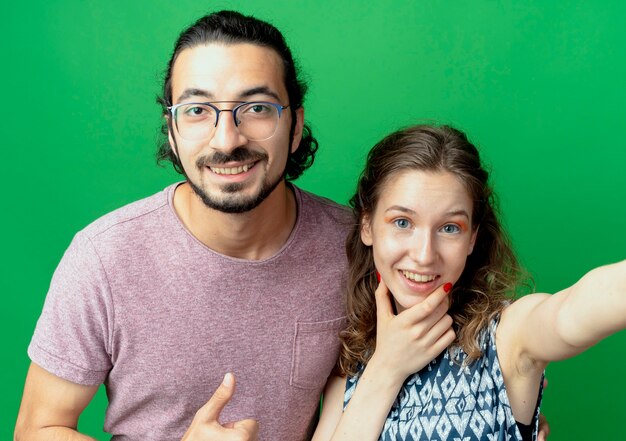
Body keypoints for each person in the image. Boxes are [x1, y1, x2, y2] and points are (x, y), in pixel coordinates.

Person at [14, 10, 352, 441]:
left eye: (257, 109)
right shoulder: (104, 257)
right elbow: (36, 429)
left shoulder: (349, 245)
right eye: (197, 110)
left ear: (296, 126)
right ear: (171, 131)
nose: (227, 140)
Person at [312, 124, 625, 441]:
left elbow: (572, 313)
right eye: (402, 222)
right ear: (367, 226)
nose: (424, 255)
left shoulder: (504, 338)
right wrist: (386, 369)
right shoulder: (352, 362)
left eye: (449, 228)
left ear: (472, 237)